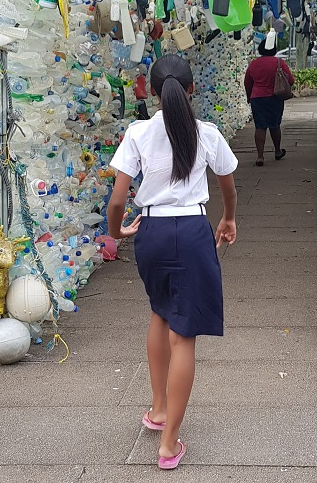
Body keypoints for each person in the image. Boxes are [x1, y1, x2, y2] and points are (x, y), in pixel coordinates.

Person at [107, 54, 238, 470]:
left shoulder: (138, 133)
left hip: (153, 233)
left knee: (160, 313)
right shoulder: (208, 134)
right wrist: (229, 218)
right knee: (185, 336)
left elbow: (117, 200)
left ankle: (159, 408)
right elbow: (228, 185)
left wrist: (116, 233)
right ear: (192, 89)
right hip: (194, 232)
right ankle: (169, 443)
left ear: (152, 91)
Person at [244, 30, 295, 166]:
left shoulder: (254, 64)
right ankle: (277, 151)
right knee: (274, 125)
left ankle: (260, 156)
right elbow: (290, 79)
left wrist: (250, 97)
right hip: (274, 97)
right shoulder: (279, 62)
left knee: (260, 127)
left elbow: (247, 82)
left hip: (257, 98)